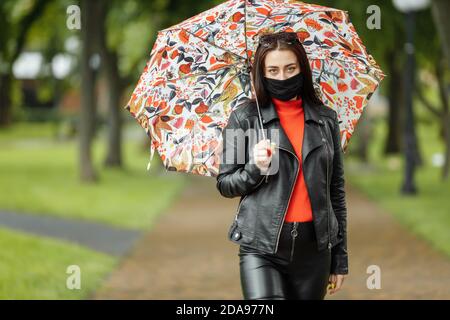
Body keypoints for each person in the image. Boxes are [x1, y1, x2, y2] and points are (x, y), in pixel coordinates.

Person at [216, 31, 348, 300]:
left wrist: (340, 258)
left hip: (315, 251)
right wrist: (255, 168)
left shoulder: (326, 119)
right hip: (261, 248)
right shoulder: (244, 119)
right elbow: (225, 184)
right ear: (261, 73)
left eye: (290, 68)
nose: (282, 77)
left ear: (302, 68)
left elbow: (336, 192)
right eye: (273, 70)